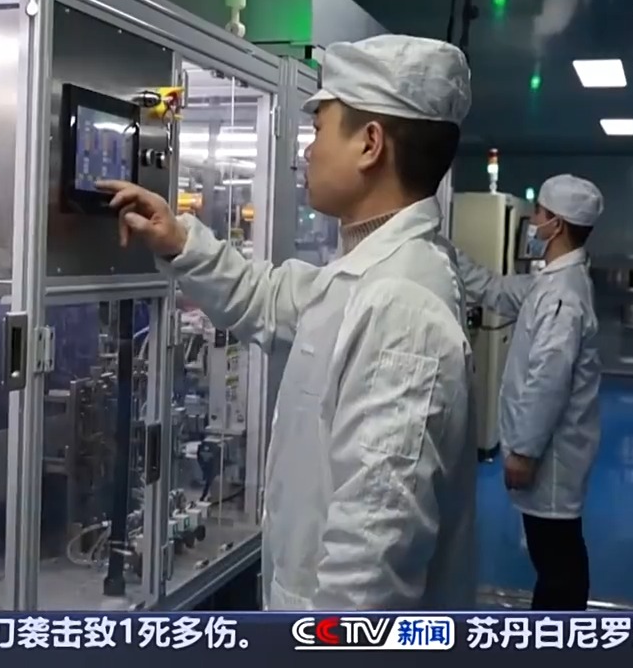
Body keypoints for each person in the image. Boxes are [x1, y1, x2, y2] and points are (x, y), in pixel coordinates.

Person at [98, 34, 476, 610]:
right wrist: (179, 240)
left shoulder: (402, 310)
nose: (307, 150)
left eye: (319, 128)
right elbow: (270, 298)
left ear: (370, 144)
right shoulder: (366, 276)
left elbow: (369, 561)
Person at [454, 174, 604, 610]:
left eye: (538, 214)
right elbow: (495, 289)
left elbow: (547, 381)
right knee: (556, 558)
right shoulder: (553, 282)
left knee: (558, 564)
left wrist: (523, 451)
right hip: (550, 452)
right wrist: (447, 252)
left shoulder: (563, 297)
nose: (532, 223)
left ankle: (552, 639)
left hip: (551, 458)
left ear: (557, 225)